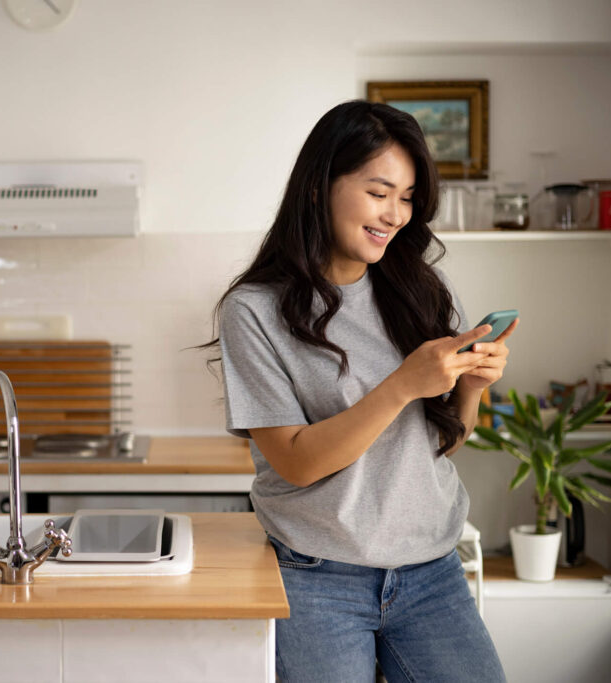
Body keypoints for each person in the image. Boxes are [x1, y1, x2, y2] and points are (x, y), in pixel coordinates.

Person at [206, 100, 516, 682]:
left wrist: (471, 387)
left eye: (407, 198)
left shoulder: (420, 289)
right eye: (380, 192)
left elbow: (438, 448)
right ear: (322, 184)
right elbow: (296, 462)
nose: (395, 214)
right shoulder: (255, 311)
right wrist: (402, 385)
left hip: (432, 572)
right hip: (318, 576)